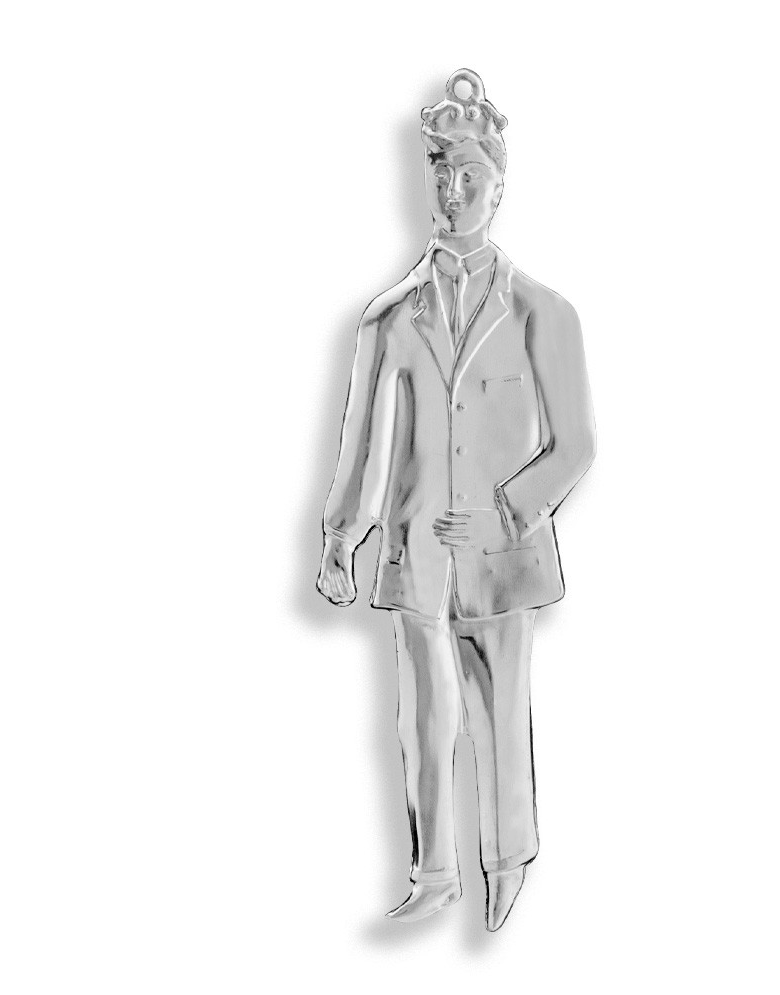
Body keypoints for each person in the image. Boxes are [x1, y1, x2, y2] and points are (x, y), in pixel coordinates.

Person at [317, 68, 596, 931]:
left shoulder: (545, 312)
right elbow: (365, 441)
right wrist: (342, 536)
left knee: (500, 712)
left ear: (500, 185)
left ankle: (506, 864)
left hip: (504, 558)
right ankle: (433, 872)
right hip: (415, 554)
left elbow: (576, 446)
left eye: (470, 172)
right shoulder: (388, 318)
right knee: (423, 720)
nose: (452, 189)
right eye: (440, 169)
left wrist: (509, 512)